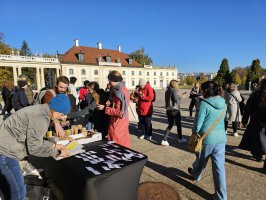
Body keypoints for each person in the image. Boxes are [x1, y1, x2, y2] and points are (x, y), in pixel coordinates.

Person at [0, 94, 71, 200]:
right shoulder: (41, 118)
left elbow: (33, 138)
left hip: (7, 148)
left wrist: (53, 145)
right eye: (62, 114)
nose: (63, 118)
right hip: (5, 153)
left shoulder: (40, 109)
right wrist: (58, 153)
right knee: (18, 193)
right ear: (55, 110)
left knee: (12, 190)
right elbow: (34, 148)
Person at [188, 81, 227, 200]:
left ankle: (196, 175)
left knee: (201, 160)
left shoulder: (203, 104)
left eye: (202, 90)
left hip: (207, 138)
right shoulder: (223, 103)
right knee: (219, 168)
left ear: (205, 91)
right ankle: (221, 196)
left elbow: (198, 124)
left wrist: (194, 133)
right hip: (221, 138)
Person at [97, 70, 131, 148]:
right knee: (121, 143)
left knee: (118, 145)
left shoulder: (120, 92)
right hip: (121, 122)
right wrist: (111, 102)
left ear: (114, 80)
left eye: (110, 81)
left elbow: (119, 112)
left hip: (118, 123)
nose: (109, 83)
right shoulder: (120, 90)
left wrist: (105, 108)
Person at [239, 79, 266, 170]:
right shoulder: (255, 95)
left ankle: (258, 155)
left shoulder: (255, 95)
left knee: (257, 139)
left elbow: (247, 109)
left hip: (256, 122)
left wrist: (244, 120)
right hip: (260, 122)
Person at [161, 80, 187, 146]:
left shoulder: (167, 90)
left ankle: (164, 139)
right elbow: (177, 100)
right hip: (175, 110)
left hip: (168, 110)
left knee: (170, 124)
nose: (178, 85)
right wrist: (181, 96)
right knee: (178, 124)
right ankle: (180, 139)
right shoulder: (174, 90)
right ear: (174, 84)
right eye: (177, 84)